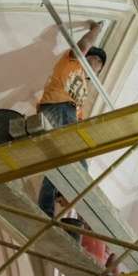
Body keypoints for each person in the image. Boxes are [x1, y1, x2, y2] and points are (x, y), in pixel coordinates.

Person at [37, 20, 106, 217]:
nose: (98, 65)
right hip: (57, 106)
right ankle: (67, 194)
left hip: (67, 112)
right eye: (96, 59)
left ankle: (47, 210)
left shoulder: (83, 89)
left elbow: (79, 118)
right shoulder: (72, 62)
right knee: (78, 161)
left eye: (100, 65)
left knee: (61, 165)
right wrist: (96, 29)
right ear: (87, 57)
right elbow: (83, 45)